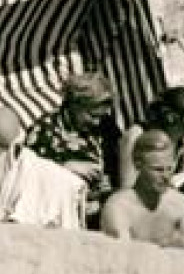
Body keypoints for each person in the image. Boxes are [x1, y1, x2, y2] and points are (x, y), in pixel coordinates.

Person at [25, 71, 128, 226]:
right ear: (75, 104)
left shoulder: (107, 127)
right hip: (60, 213)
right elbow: (29, 174)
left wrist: (107, 187)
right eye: (92, 115)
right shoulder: (45, 131)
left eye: (100, 116)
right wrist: (66, 168)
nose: (96, 122)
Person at [101, 131, 184, 249]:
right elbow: (122, 258)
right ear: (138, 165)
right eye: (158, 169)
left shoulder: (180, 203)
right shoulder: (118, 207)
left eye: (169, 169)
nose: (166, 177)